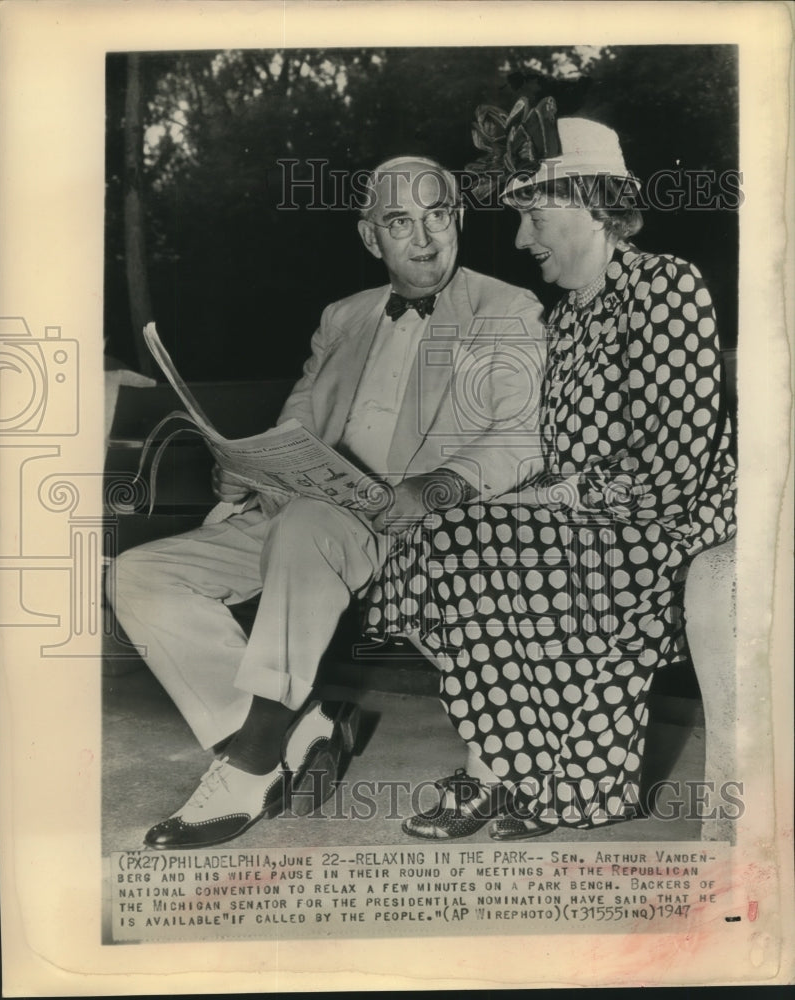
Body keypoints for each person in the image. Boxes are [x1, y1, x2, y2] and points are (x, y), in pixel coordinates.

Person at [109, 154, 546, 850]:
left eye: (438, 216)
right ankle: (300, 721)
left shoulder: (505, 307)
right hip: (312, 516)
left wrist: (433, 487)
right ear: (372, 237)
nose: (425, 237)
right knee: (139, 574)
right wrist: (243, 472)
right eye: (401, 222)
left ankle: (252, 763)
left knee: (309, 525)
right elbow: (298, 424)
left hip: (424, 524)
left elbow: (521, 438)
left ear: (458, 219)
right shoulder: (342, 316)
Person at [365, 101, 737, 841]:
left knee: (473, 548)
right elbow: (541, 450)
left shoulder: (667, 287)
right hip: (586, 515)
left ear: (591, 205)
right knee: (440, 539)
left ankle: (525, 778)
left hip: (669, 517)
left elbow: (677, 464)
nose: (520, 237)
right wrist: (521, 491)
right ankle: (526, 770)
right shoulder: (563, 319)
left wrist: (562, 495)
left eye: (535, 217)